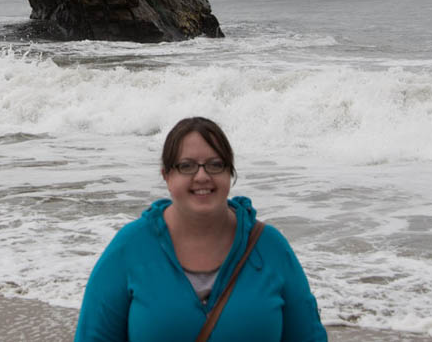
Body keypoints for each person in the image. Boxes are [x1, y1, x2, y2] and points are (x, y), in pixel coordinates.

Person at [74, 117, 327, 342]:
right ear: (166, 175)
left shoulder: (269, 246)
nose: (202, 176)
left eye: (215, 165)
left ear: (230, 173)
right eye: (187, 166)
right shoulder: (130, 247)